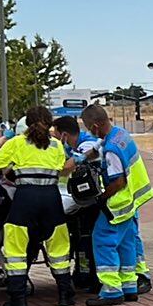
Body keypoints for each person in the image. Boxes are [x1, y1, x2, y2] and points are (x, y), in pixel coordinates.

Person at [0, 105, 74, 306]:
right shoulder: (55, 145)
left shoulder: (17, 143)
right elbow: (62, 169)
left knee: (16, 248)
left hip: (25, 199)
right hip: (51, 199)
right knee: (58, 246)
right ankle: (65, 294)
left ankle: (18, 299)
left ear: (26, 123)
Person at [81, 104, 152, 305]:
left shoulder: (111, 150)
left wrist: (101, 197)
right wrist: (82, 158)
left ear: (95, 126)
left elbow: (118, 181)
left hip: (118, 203)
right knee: (126, 243)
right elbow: (99, 147)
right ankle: (129, 286)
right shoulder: (120, 135)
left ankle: (111, 290)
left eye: (88, 127)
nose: (88, 131)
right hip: (131, 201)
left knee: (103, 241)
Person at [54, 114, 102, 292]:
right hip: (84, 201)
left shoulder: (87, 143)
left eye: (56, 134)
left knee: (91, 239)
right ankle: (84, 273)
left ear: (64, 135)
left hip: (94, 201)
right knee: (83, 238)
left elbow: (67, 167)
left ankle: (91, 277)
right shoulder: (75, 145)